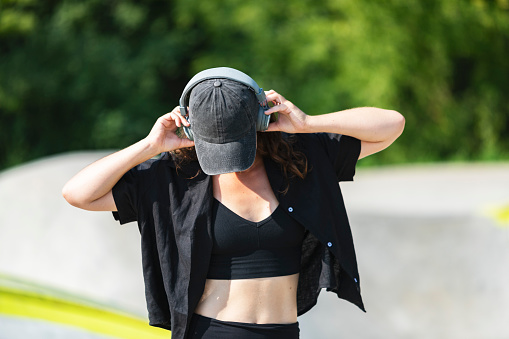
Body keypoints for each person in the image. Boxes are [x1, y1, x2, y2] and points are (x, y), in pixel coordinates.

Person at [62, 67, 405, 339]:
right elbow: (78, 194)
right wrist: (151, 146)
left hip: (285, 332)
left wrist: (309, 123)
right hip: (212, 332)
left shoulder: (300, 159)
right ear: (193, 130)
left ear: (259, 121)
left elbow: (391, 125)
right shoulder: (174, 177)